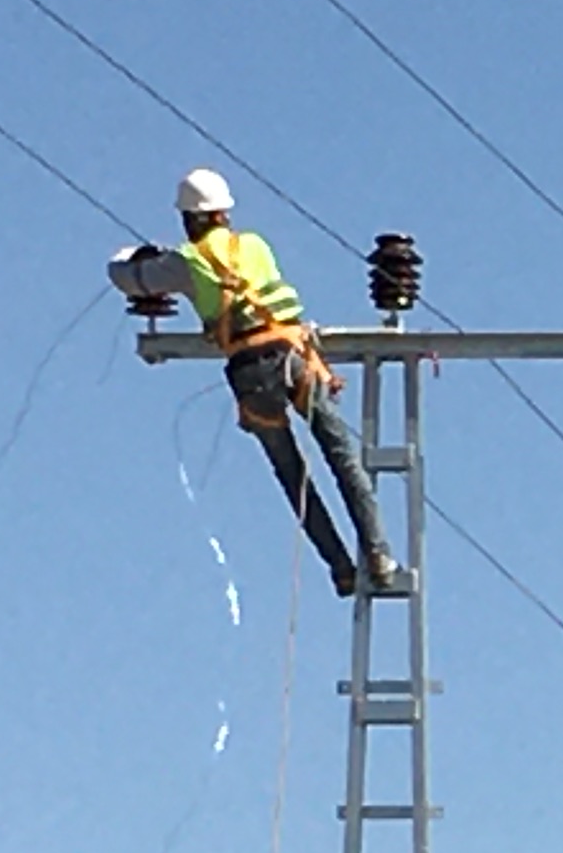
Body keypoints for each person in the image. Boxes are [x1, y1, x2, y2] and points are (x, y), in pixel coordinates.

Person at [168, 171, 403, 601]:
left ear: (188, 218)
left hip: (249, 374)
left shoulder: (187, 261)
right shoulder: (253, 245)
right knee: (342, 460)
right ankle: (380, 556)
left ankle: (341, 570)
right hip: (293, 359)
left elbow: (133, 275)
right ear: (223, 213)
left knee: (295, 479)